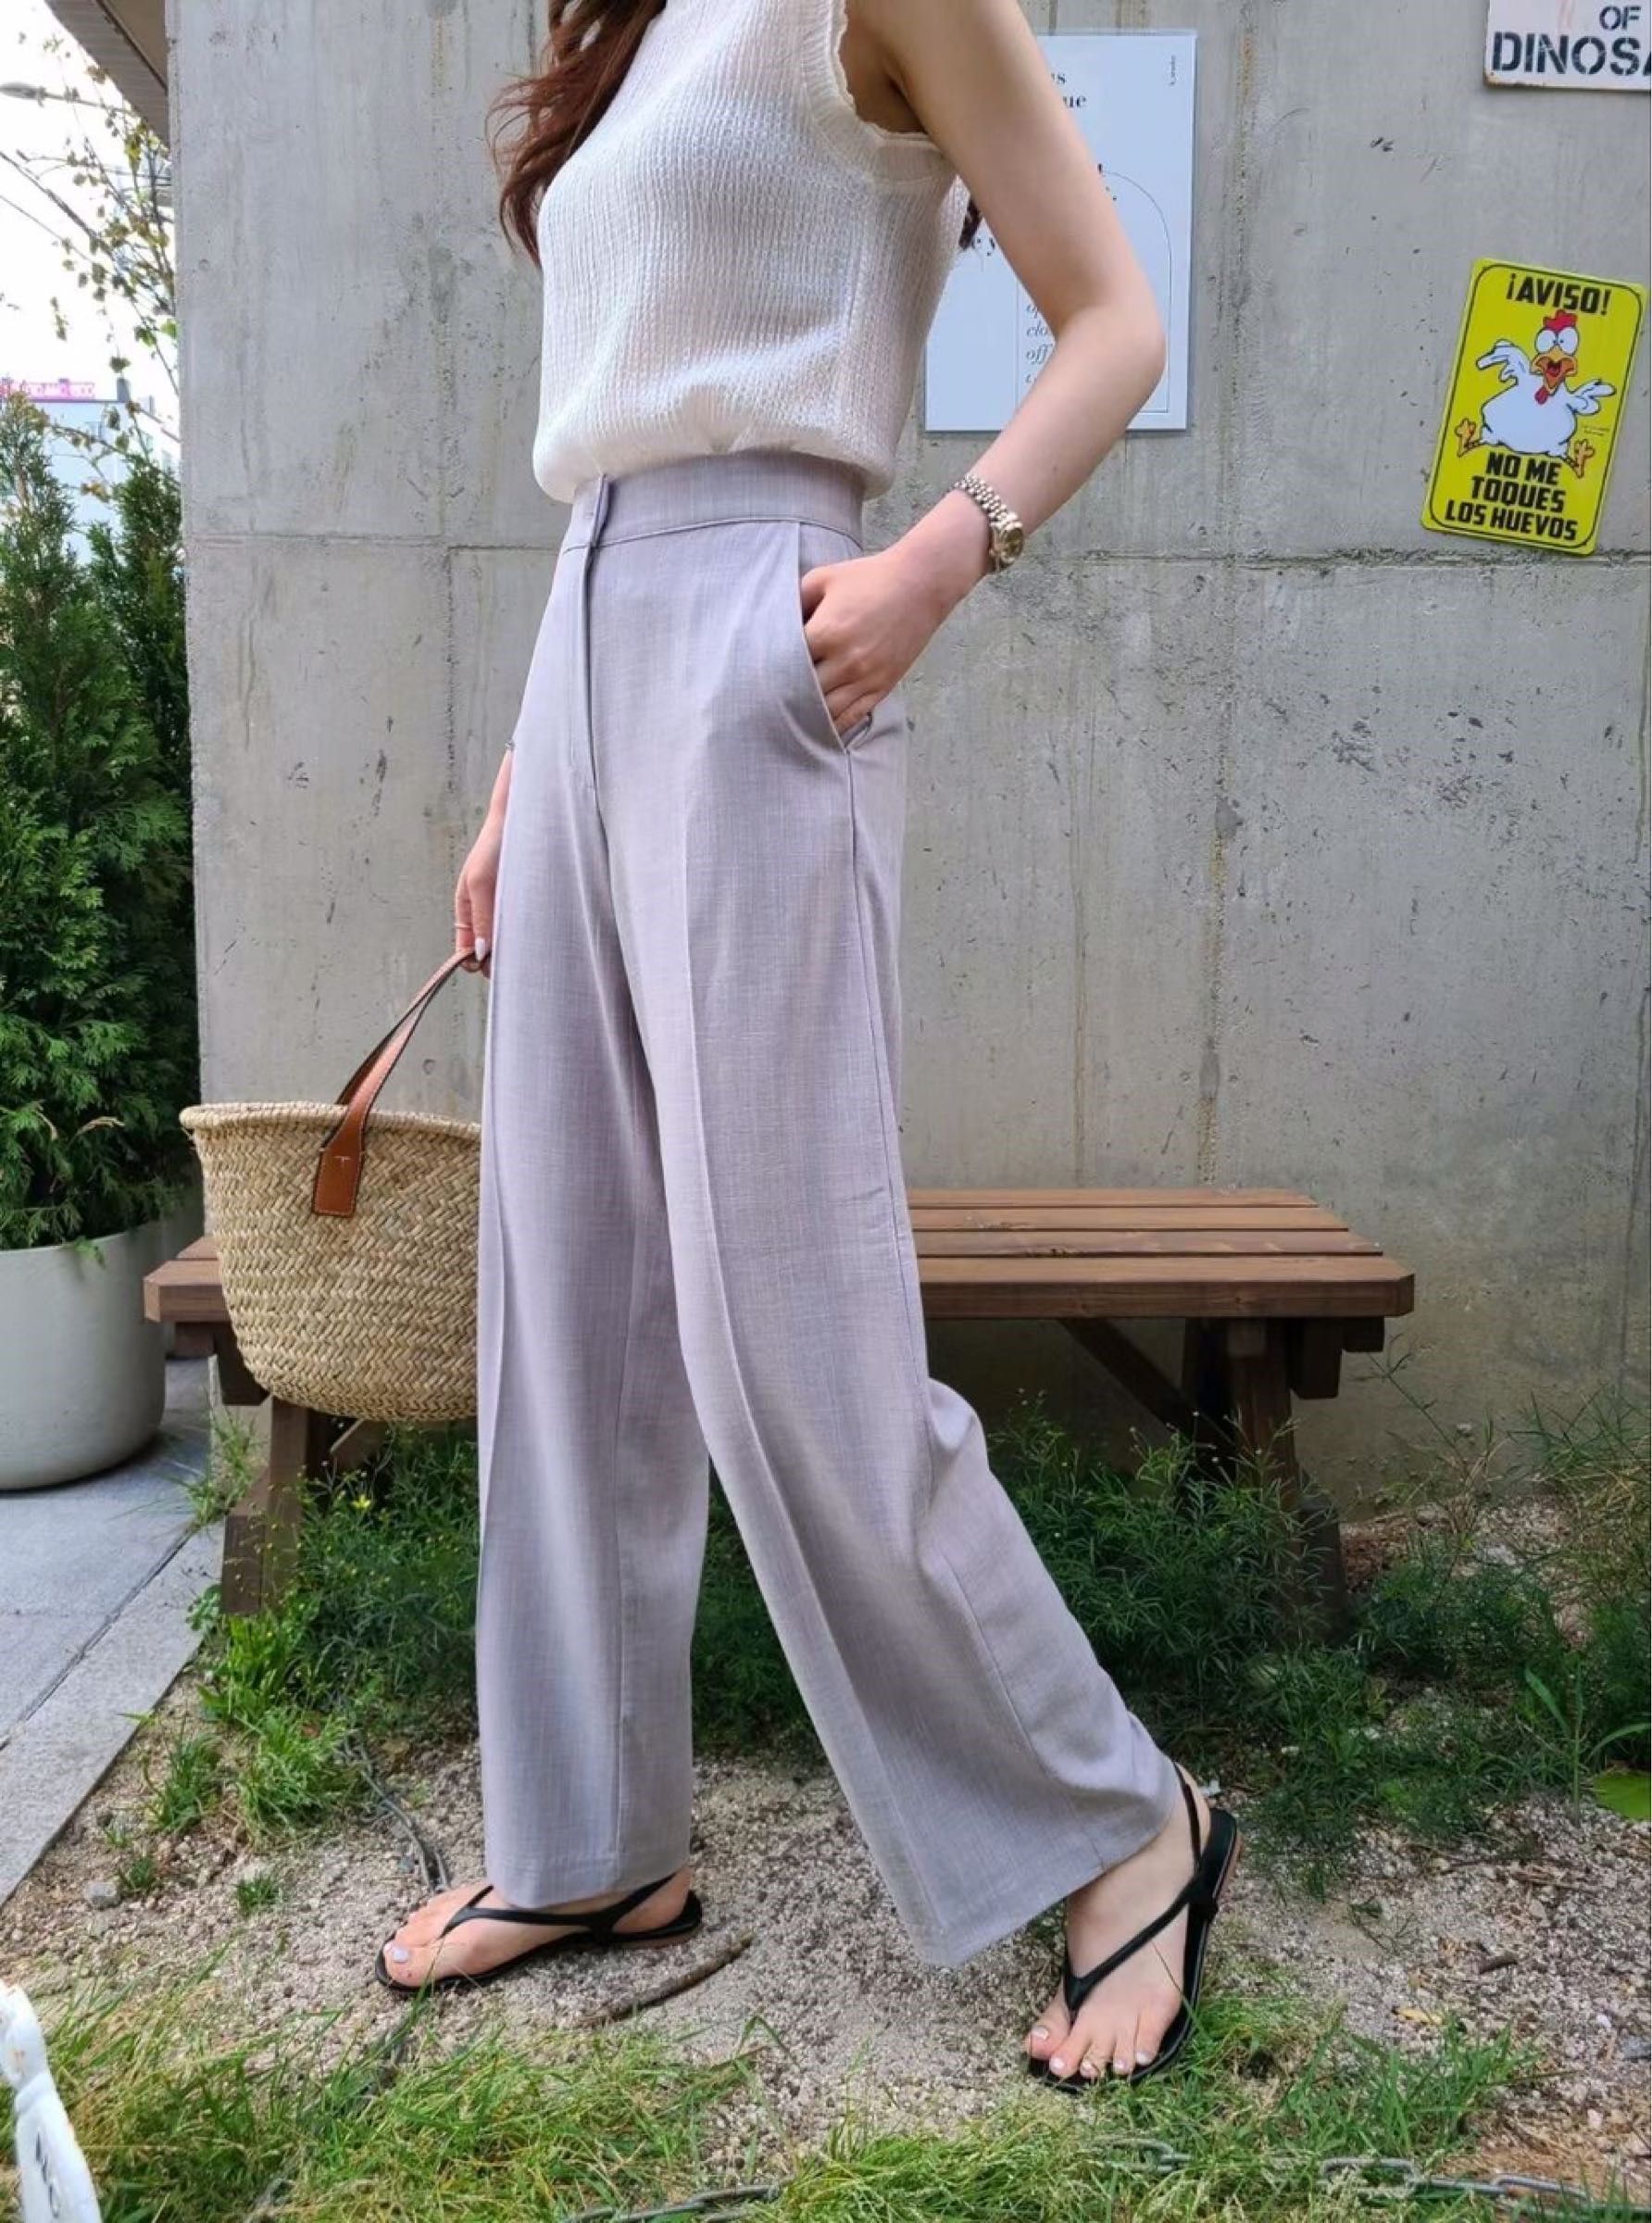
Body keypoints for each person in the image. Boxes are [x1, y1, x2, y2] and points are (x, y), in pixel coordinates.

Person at [375, 0, 1239, 2089]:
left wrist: (940, 559)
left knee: (783, 1320)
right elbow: (618, 432)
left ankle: (1122, 1817)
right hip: (587, 641)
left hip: (770, 623)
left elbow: (1114, 320)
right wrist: (527, 768)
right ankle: (589, 1842)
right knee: (566, 1290)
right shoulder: (646, 33)